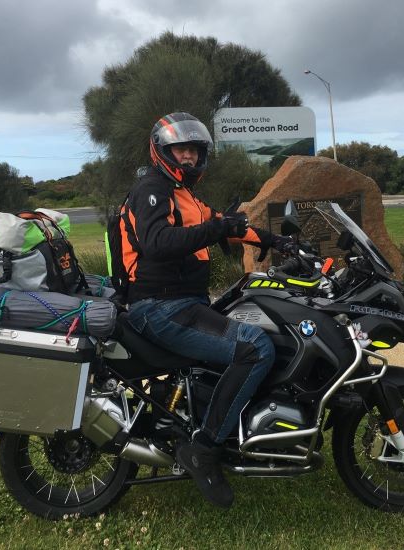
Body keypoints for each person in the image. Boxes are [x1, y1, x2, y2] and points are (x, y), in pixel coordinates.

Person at [124, 112, 291, 508]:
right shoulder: (151, 189)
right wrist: (219, 229)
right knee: (255, 347)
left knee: (250, 317)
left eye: (195, 152)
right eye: (181, 150)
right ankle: (206, 447)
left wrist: (276, 242)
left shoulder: (186, 196)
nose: (189, 158)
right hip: (159, 305)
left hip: (183, 301)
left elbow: (226, 224)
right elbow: (158, 242)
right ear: (162, 151)